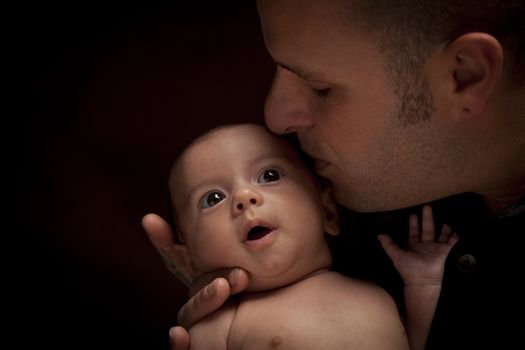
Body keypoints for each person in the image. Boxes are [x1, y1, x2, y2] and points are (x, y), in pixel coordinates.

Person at [144, 0, 525, 348]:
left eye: (319, 87)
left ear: (466, 74)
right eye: (213, 199)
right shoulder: (349, 200)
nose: (274, 118)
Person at [150, 123, 457, 349]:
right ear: (189, 257)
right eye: (212, 198)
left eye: (269, 176)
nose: (244, 197)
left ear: (329, 212)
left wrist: (424, 286)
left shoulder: (375, 291)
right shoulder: (223, 320)